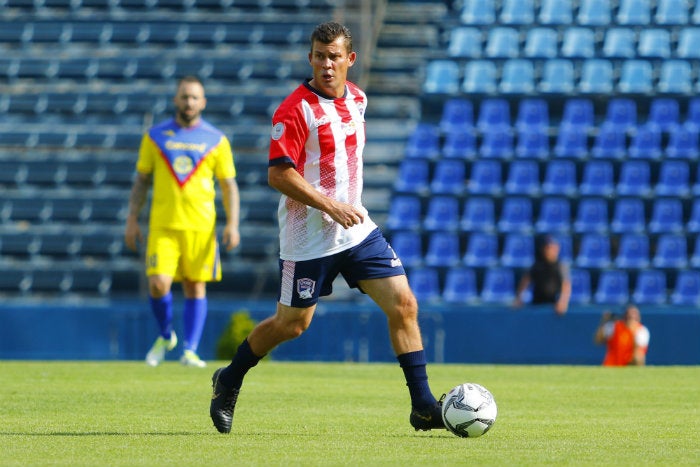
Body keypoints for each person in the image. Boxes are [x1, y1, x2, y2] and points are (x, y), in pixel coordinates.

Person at [209, 21, 445, 434]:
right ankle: (229, 378)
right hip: (308, 240)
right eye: (319, 56)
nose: (327, 64)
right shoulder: (294, 110)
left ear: (350, 60)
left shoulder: (358, 99)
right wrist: (331, 206)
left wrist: (344, 209)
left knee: (404, 304)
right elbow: (279, 175)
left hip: (356, 231)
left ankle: (423, 405)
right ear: (310, 58)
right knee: (292, 325)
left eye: (334, 56)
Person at [124, 76, 241, 368]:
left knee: (195, 286)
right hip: (163, 226)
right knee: (158, 284)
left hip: (201, 227)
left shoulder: (216, 140)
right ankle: (166, 335)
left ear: (203, 102)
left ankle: (190, 350)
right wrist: (131, 220)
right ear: (175, 100)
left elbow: (228, 186)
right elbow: (141, 181)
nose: (189, 102)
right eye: (184, 97)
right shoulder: (155, 136)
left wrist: (232, 223)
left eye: (194, 97)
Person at [514, 234, 571, 316]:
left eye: (553, 248)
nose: (551, 251)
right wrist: (519, 298)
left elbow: (566, 285)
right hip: (537, 304)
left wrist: (562, 302)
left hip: (553, 305)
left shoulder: (560, 266)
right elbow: (525, 281)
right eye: (548, 248)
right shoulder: (537, 265)